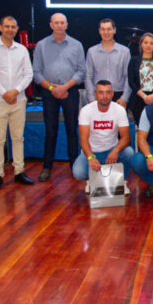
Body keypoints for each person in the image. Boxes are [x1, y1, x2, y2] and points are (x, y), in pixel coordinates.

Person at [0, 16, 34, 190]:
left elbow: (28, 74)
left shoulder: (22, 50)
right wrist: (4, 93)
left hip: (18, 100)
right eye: (7, 26)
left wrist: (16, 91)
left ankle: (19, 171)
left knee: (18, 137)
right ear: (0, 27)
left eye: (13, 27)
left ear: (17, 29)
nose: (10, 29)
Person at [32, 13, 86, 182]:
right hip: (49, 92)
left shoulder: (76, 45)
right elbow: (36, 73)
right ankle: (47, 167)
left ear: (66, 25)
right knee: (50, 131)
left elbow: (81, 71)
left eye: (62, 23)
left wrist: (65, 87)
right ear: (51, 25)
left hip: (70, 91)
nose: (59, 25)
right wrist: (51, 88)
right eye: (56, 23)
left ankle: (74, 166)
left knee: (72, 130)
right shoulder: (41, 45)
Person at [72, 80, 134, 194]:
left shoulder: (119, 110)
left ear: (112, 94)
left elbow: (126, 138)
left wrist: (115, 150)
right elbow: (83, 138)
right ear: (95, 94)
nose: (104, 96)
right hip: (92, 152)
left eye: (108, 92)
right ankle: (92, 181)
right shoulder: (86, 111)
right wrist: (90, 157)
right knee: (78, 172)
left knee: (129, 153)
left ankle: (122, 182)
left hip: (111, 150)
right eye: (101, 92)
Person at [84, 18, 131, 106]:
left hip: (118, 96)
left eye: (109, 29)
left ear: (114, 30)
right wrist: (91, 98)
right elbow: (88, 76)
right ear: (99, 31)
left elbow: (128, 77)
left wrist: (124, 98)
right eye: (103, 29)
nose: (106, 32)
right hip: (98, 96)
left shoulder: (125, 51)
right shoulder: (91, 51)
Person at [127, 32, 153, 126]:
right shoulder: (134, 61)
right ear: (141, 44)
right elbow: (131, 82)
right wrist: (144, 96)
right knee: (141, 128)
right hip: (138, 99)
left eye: (151, 43)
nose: (148, 45)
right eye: (145, 42)